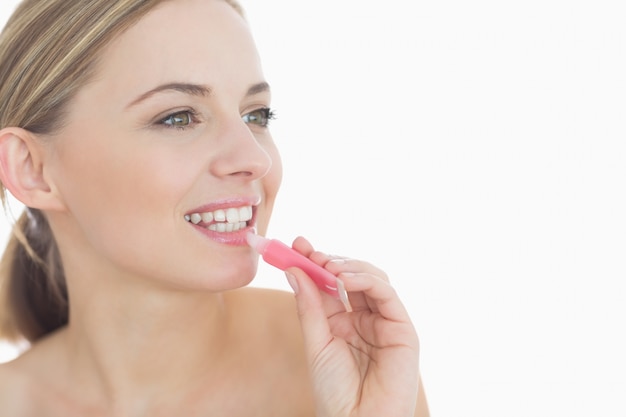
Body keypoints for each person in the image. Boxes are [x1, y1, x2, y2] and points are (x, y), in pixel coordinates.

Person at [0, 0, 429, 415]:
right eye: (178, 117)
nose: (254, 159)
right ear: (32, 169)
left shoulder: (350, 359)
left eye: (256, 115)